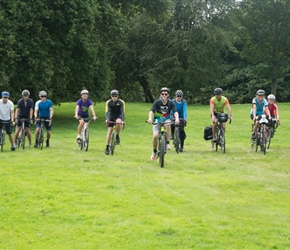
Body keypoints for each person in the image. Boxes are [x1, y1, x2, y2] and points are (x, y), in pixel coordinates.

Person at [147, 87, 179, 161]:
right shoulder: (157, 102)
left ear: (168, 95)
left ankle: (167, 143)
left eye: (166, 94)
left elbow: (175, 112)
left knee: (168, 124)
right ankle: (154, 151)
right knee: (155, 136)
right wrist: (150, 119)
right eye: (162, 94)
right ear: (160, 95)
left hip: (166, 119)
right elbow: (151, 111)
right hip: (157, 119)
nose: (164, 95)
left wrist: (177, 118)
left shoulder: (171, 103)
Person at [105, 90, 125, 155]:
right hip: (111, 116)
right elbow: (106, 112)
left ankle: (117, 136)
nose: (114, 97)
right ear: (111, 96)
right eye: (113, 96)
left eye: (115, 96)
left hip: (118, 116)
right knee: (109, 131)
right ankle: (107, 147)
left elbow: (122, 112)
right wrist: (107, 119)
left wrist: (121, 119)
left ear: (117, 96)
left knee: (118, 123)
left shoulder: (121, 102)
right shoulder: (108, 102)